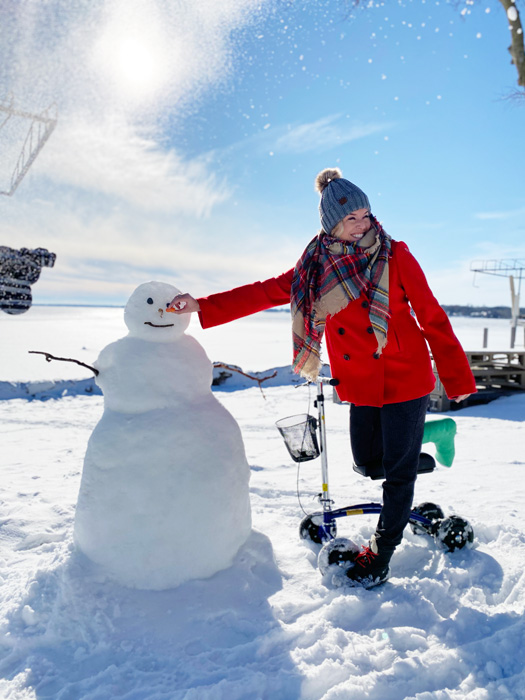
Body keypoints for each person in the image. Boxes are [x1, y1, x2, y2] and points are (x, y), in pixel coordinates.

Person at [168, 168, 476, 588]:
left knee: (398, 475)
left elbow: (433, 317)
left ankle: (380, 554)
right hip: (363, 381)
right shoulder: (316, 266)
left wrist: (456, 378)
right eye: (353, 218)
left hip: (405, 376)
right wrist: (201, 306)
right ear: (331, 223)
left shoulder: (396, 255)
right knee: (369, 464)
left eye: (367, 214)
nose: (364, 224)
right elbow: (263, 292)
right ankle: (433, 431)